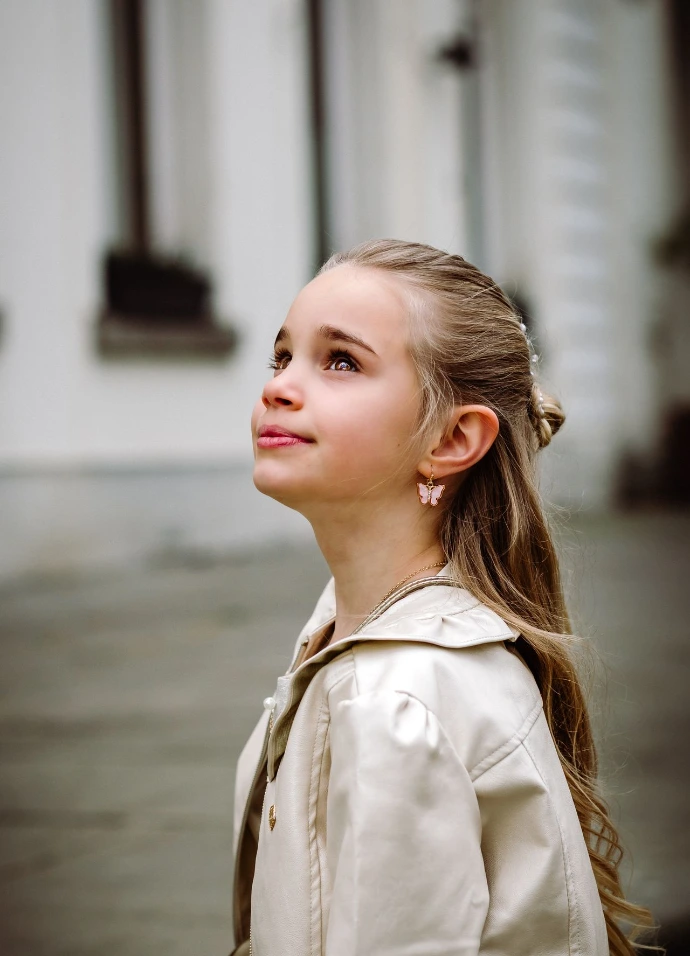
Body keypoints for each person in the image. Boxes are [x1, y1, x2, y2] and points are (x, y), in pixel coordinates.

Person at [231, 240, 654, 956]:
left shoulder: (397, 701)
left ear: (453, 438)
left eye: (341, 361)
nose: (280, 386)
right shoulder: (357, 638)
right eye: (282, 357)